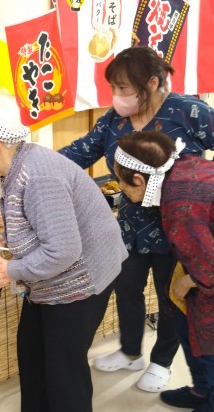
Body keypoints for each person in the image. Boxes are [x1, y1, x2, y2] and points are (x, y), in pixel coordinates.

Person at [0, 87, 127, 412]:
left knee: (63, 377)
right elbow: (38, 222)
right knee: (33, 359)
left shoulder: (37, 175)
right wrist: (6, 240)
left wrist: (8, 270)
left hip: (80, 282)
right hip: (51, 281)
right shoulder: (17, 165)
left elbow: (63, 251)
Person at [59, 46, 214, 392]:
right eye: (112, 88)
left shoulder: (189, 111)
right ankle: (130, 352)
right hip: (129, 227)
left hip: (179, 228)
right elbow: (80, 151)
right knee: (126, 289)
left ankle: (162, 361)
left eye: (123, 88)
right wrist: (36, 164)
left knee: (170, 297)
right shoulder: (114, 120)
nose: (117, 96)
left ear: (153, 83)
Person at [113, 131, 214, 412]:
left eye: (121, 180)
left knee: (208, 337)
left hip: (207, 272)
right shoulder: (180, 167)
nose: (120, 187)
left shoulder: (178, 204)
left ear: (139, 179)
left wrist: (190, 280)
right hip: (202, 262)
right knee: (183, 321)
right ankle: (201, 391)